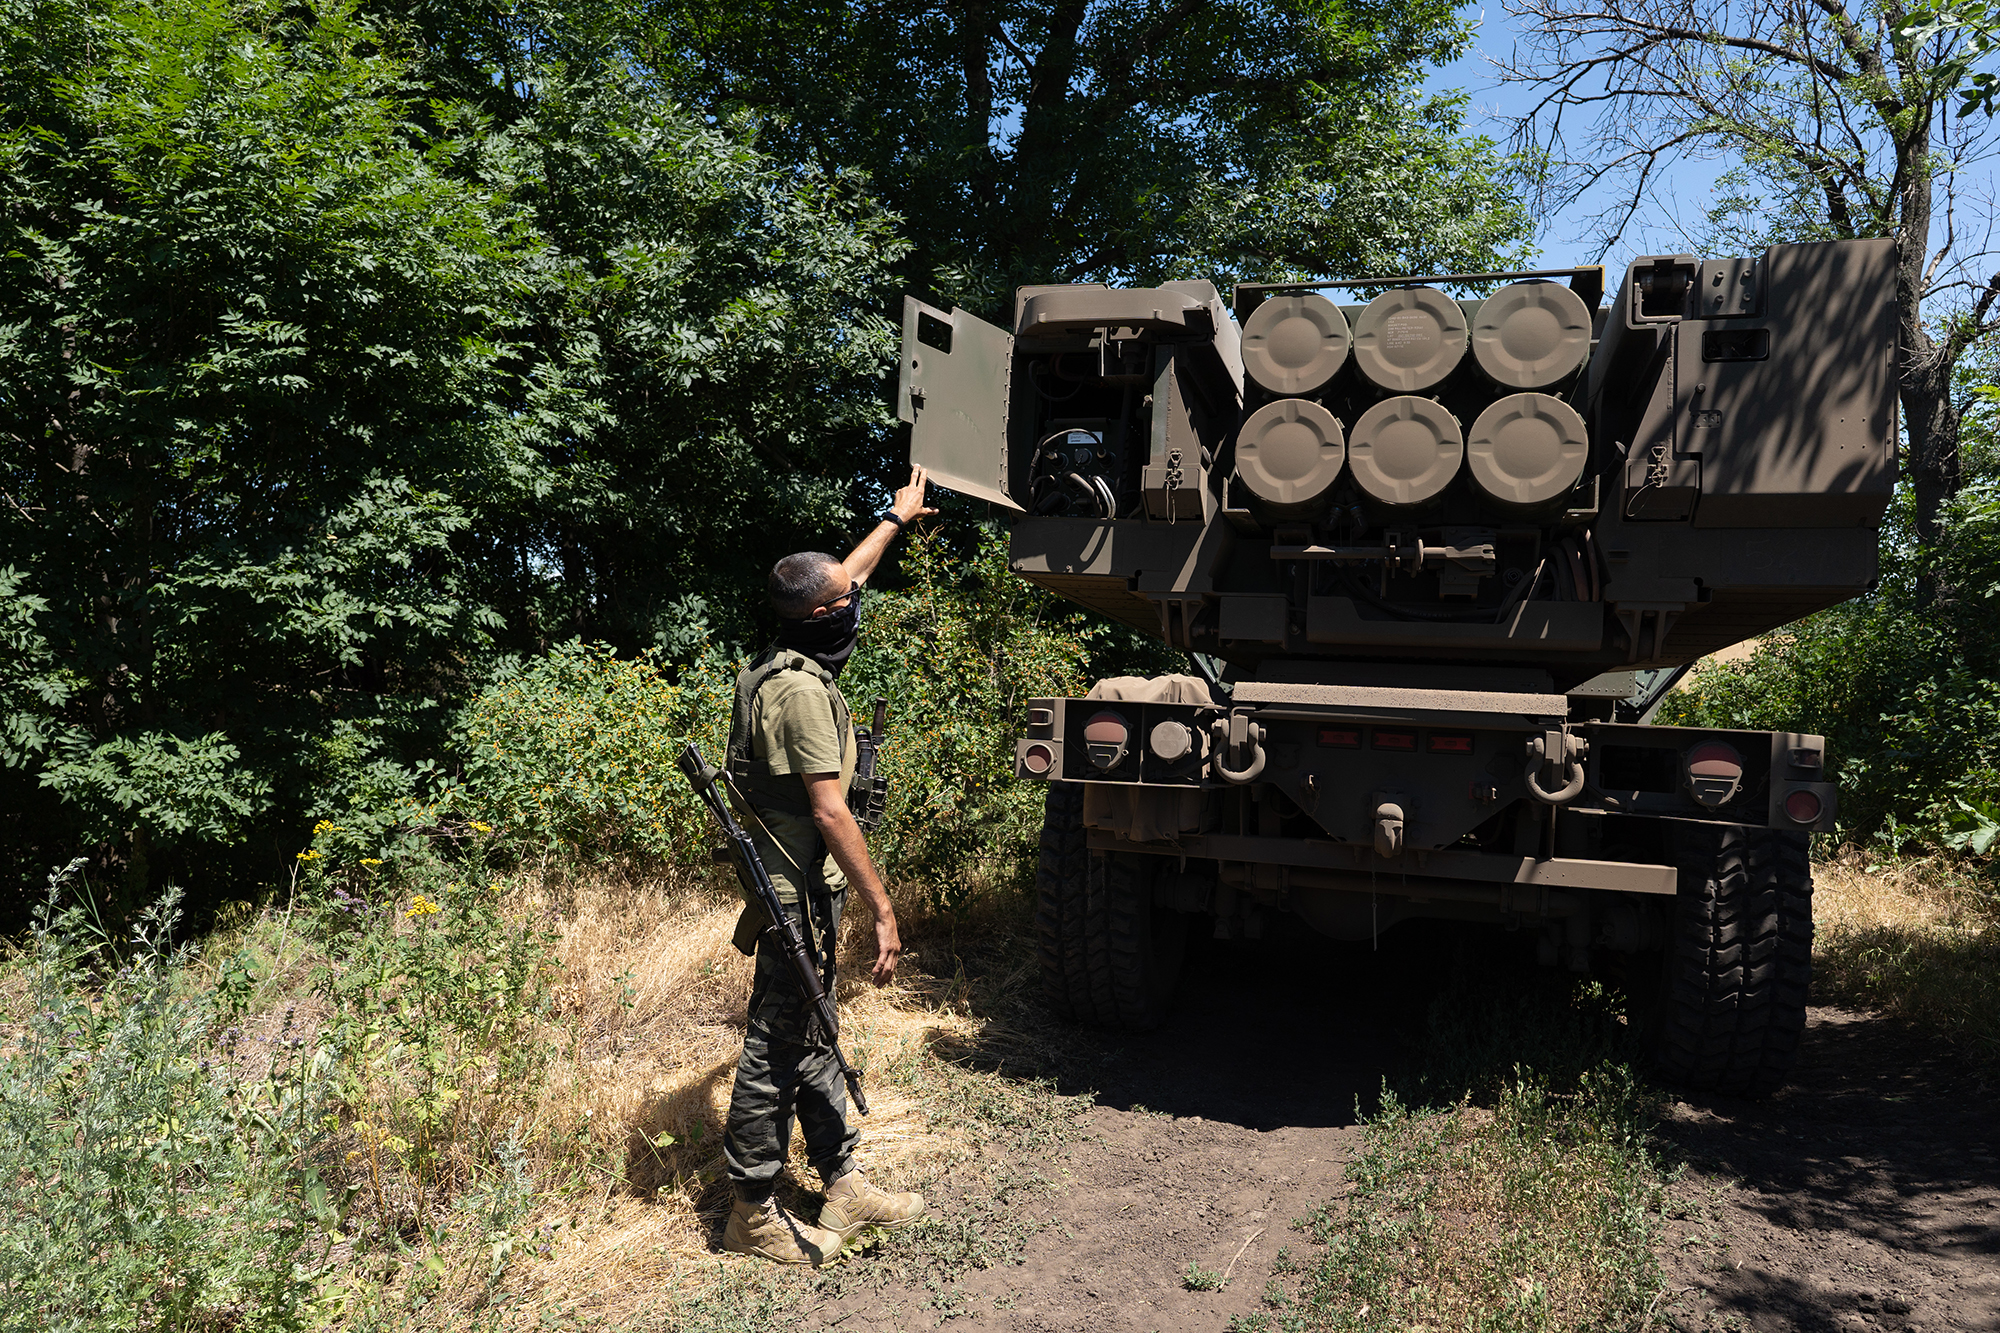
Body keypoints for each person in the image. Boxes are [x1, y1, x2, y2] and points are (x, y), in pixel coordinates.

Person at [719, 464, 939, 1265]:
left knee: (814, 1025)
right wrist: (884, 905)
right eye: (843, 603)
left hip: (804, 885)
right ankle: (749, 1210)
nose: (855, 605)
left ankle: (842, 1181)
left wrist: (895, 517)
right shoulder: (801, 694)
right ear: (817, 616)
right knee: (776, 1043)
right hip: (794, 887)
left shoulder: (790, 653)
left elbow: (848, 577)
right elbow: (828, 809)